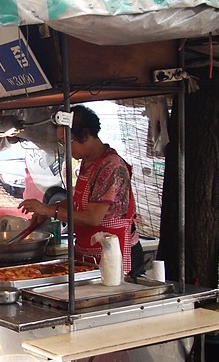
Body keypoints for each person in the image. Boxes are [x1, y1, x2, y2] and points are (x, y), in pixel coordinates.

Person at [19, 105, 143, 275]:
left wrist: (49, 210)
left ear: (84, 135)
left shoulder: (111, 166)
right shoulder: (87, 163)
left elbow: (93, 217)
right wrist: (45, 212)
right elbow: (79, 204)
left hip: (115, 254)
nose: (65, 148)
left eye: (66, 142)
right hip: (90, 255)